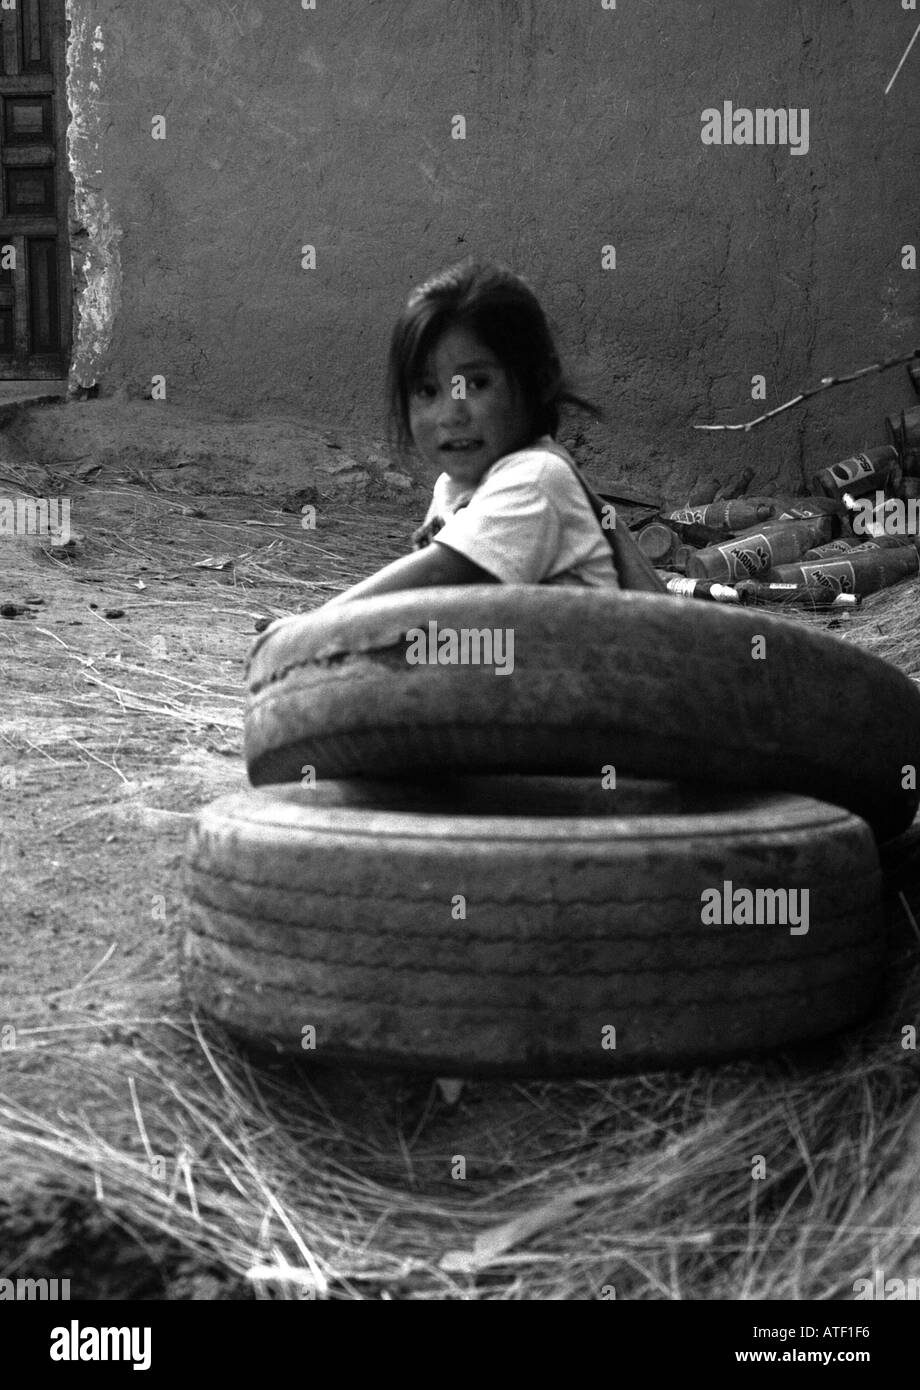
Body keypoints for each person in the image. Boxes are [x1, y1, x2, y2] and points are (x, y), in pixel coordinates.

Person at [325, 260, 665, 606]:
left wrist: (300, 634)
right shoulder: (452, 488)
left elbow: (437, 577)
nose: (451, 414)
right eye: (427, 390)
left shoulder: (536, 480)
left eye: (477, 383)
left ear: (540, 381)